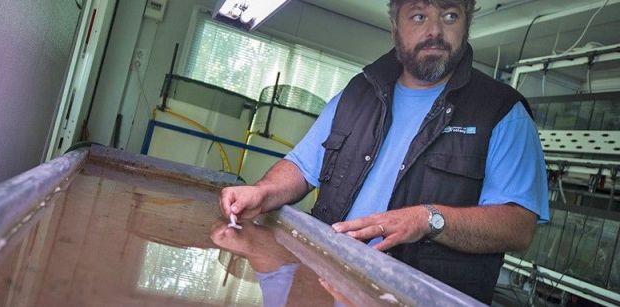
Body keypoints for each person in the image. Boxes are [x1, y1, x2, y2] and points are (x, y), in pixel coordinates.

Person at [219, 0, 549, 304]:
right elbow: (302, 167)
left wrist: (429, 219)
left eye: (450, 16)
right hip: (327, 285)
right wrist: (262, 192)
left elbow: (518, 225)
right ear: (395, 26)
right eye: (419, 16)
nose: (434, 31)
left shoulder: (502, 112)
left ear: (466, 24)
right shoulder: (357, 93)